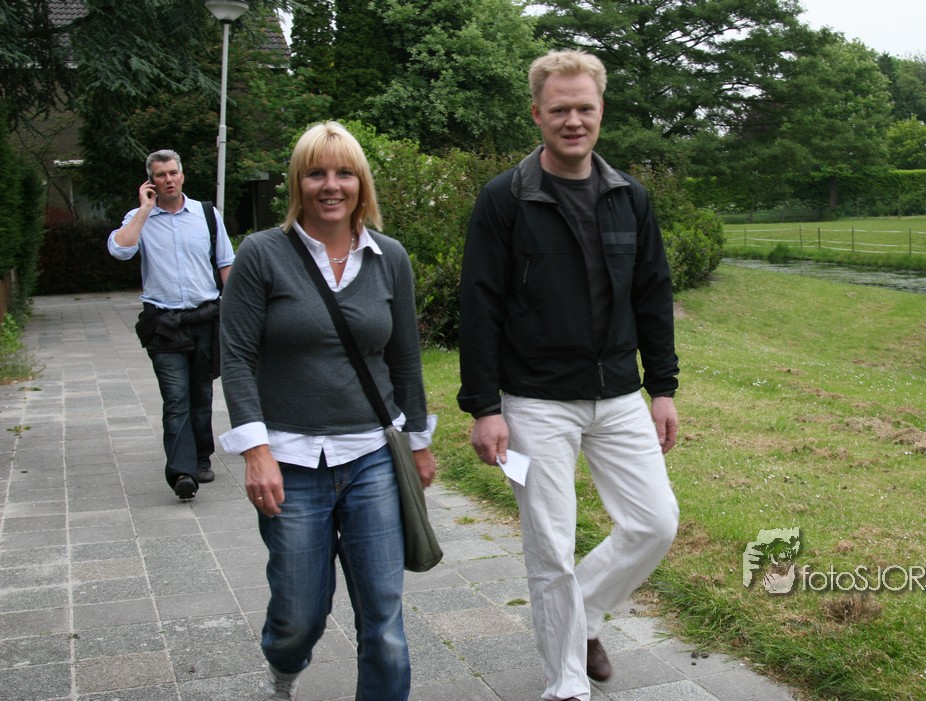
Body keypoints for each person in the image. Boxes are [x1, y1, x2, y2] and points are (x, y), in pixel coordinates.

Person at [457, 49, 680, 701]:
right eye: (559, 109)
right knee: (549, 546)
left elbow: (652, 295)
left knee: (655, 522)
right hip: (534, 403)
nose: (573, 120)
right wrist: (485, 406)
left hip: (618, 395)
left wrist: (662, 388)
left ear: (601, 109)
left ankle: (580, 615)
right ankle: (566, 684)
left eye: (584, 107)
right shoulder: (505, 199)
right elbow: (479, 305)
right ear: (537, 114)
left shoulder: (628, 197)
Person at [218, 121, 437, 701]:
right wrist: (256, 451)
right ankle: (283, 669)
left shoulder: (389, 258)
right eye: (316, 173)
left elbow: (405, 359)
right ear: (298, 182)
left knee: (383, 617)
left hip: (372, 457)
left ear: (361, 183)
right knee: (299, 614)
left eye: (344, 173)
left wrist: (418, 444)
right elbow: (235, 357)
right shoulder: (262, 254)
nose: (331, 185)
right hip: (290, 463)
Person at [108, 149, 234, 501]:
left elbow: (226, 262)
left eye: (173, 172)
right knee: (176, 398)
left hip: (205, 318)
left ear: (182, 174)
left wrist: (239, 309)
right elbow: (119, 250)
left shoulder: (206, 215)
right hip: (163, 323)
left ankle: (201, 456)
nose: (168, 179)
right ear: (151, 181)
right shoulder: (140, 217)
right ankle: (182, 472)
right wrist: (144, 210)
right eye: (160, 175)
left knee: (201, 395)